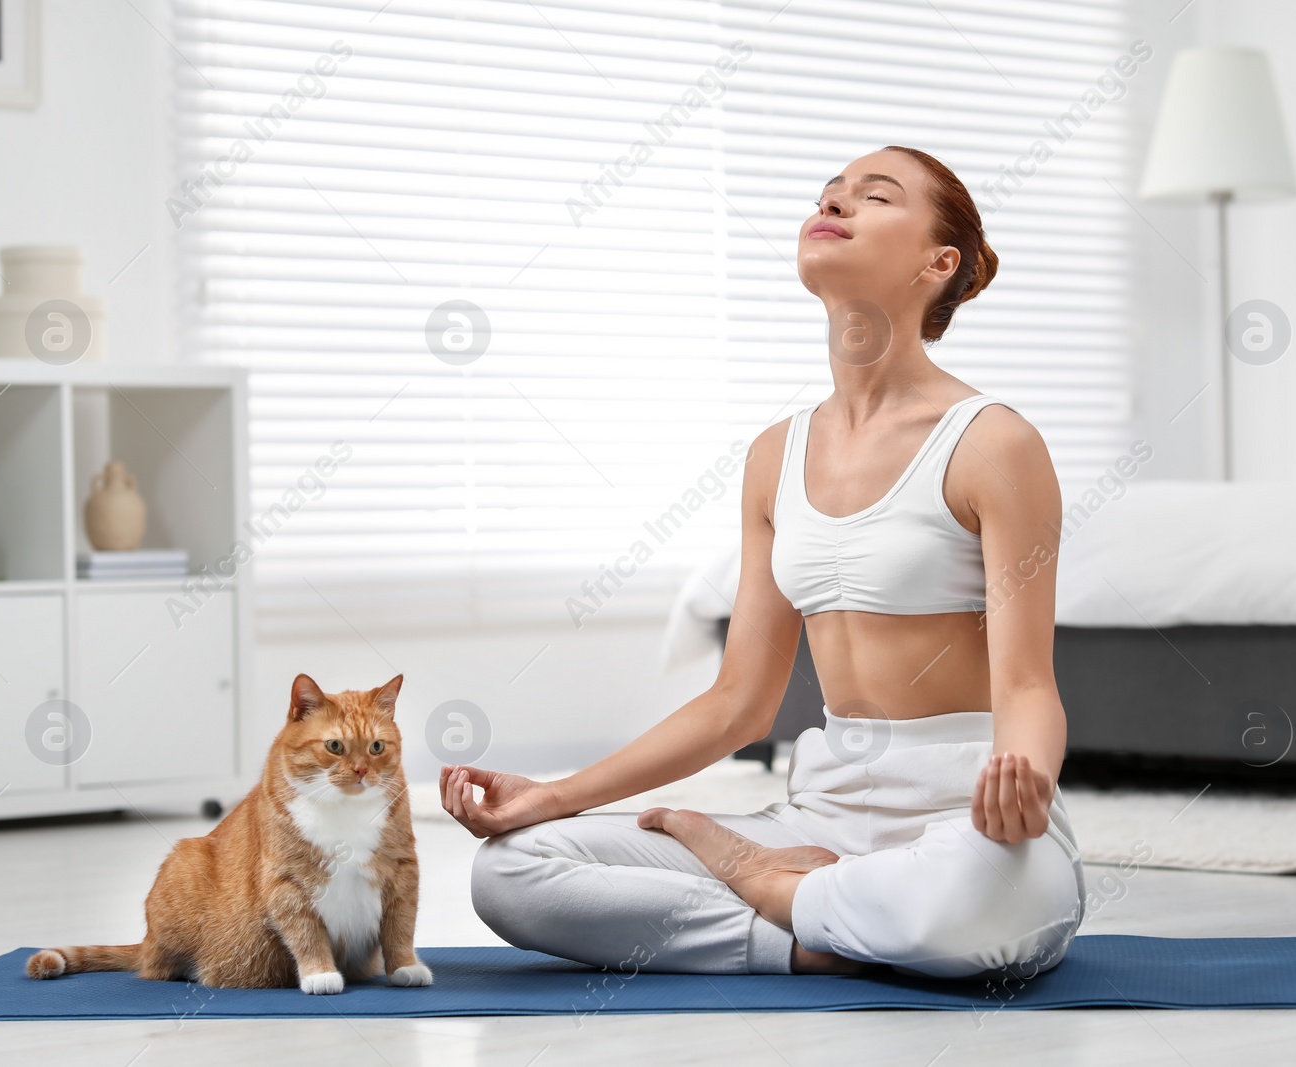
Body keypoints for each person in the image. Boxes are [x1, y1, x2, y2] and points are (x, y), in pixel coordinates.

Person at [439, 145, 1086, 980]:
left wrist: (1024, 779)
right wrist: (551, 797)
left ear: (940, 262)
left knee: (973, 903)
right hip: (817, 817)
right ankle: (814, 925)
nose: (839, 204)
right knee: (512, 873)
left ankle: (772, 890)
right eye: (829, 194)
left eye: (875, 197)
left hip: (962, 817)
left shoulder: (995, 442)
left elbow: (1028, 683)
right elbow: (738, 703)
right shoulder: (775, 456)